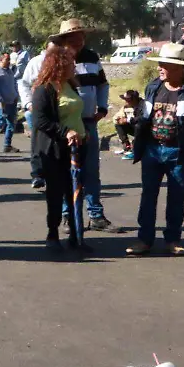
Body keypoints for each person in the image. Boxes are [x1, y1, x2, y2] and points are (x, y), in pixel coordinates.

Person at [127, 43, 184, 256]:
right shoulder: (153, 87)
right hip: (152, 151)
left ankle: (173, 239)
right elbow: (145, 116)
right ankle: (144, 239)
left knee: (177, 196)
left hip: (180, 152)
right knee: (148, 195)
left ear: (179, 67)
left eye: (164, 64)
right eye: (160, 63)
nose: (159, 67)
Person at [52, 19, 120, 233]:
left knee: (91, 171)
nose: (78, 41)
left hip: (89, 122)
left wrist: (102, 107)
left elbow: (103, 84)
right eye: (73, 37)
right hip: (66, 126)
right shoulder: (58, 60)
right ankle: (67, 216)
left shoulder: (92, 58)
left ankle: (96, 215)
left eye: (81, 36)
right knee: (67, 172)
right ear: (64, 40)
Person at [29, 47, 85, 251]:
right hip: (55, 150)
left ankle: (76, 235)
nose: (74, 66)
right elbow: (40, 120)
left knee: (76, 192)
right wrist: (65, 131)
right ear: (59, 65)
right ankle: (52, 234)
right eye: (70, 63)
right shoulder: (44, 89)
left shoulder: (70, 85)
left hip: (77, 148)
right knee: (56, 193)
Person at [20, 41, 57, 189]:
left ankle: (53, 176)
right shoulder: (35, 63)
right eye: (53, 51)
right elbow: (23, 84)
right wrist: (28, 104)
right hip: (38, 109)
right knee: (38, 142)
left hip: (57, 110)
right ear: (46, 49)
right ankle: (38, 174)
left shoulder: (63, 63)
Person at [112, 89, 142, 159]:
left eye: (128, 100)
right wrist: (119, 119)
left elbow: (142, 119)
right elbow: (116, 118)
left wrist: (128, 120)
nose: (126, 101)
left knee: (139, 127)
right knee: (118, 125)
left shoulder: (142, 105)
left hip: (142, 129)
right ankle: (126, 145)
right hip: (133, 127)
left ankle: (135, 151)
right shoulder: (126, 107)